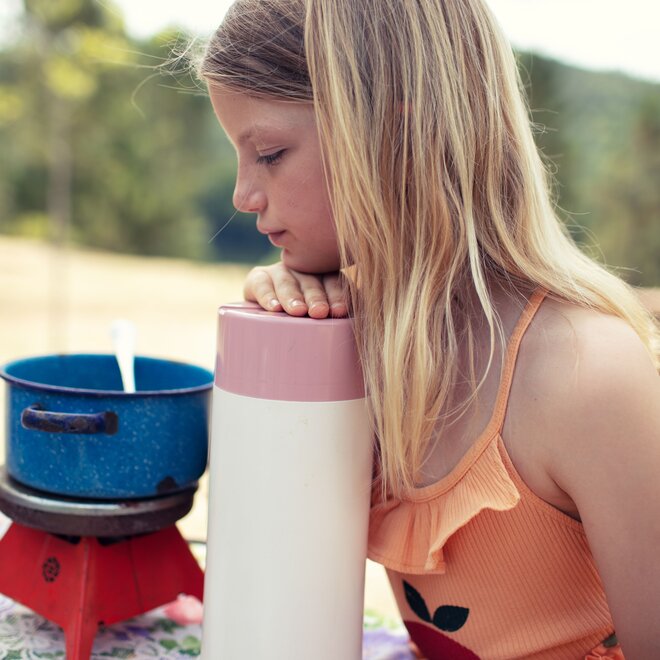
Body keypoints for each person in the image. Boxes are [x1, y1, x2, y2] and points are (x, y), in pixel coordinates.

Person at [197, 1, 660, 657]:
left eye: (269, 153)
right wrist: (289, 321)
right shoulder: (367, 339)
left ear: (396, 129)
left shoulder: (588, 376)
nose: (244, 193)